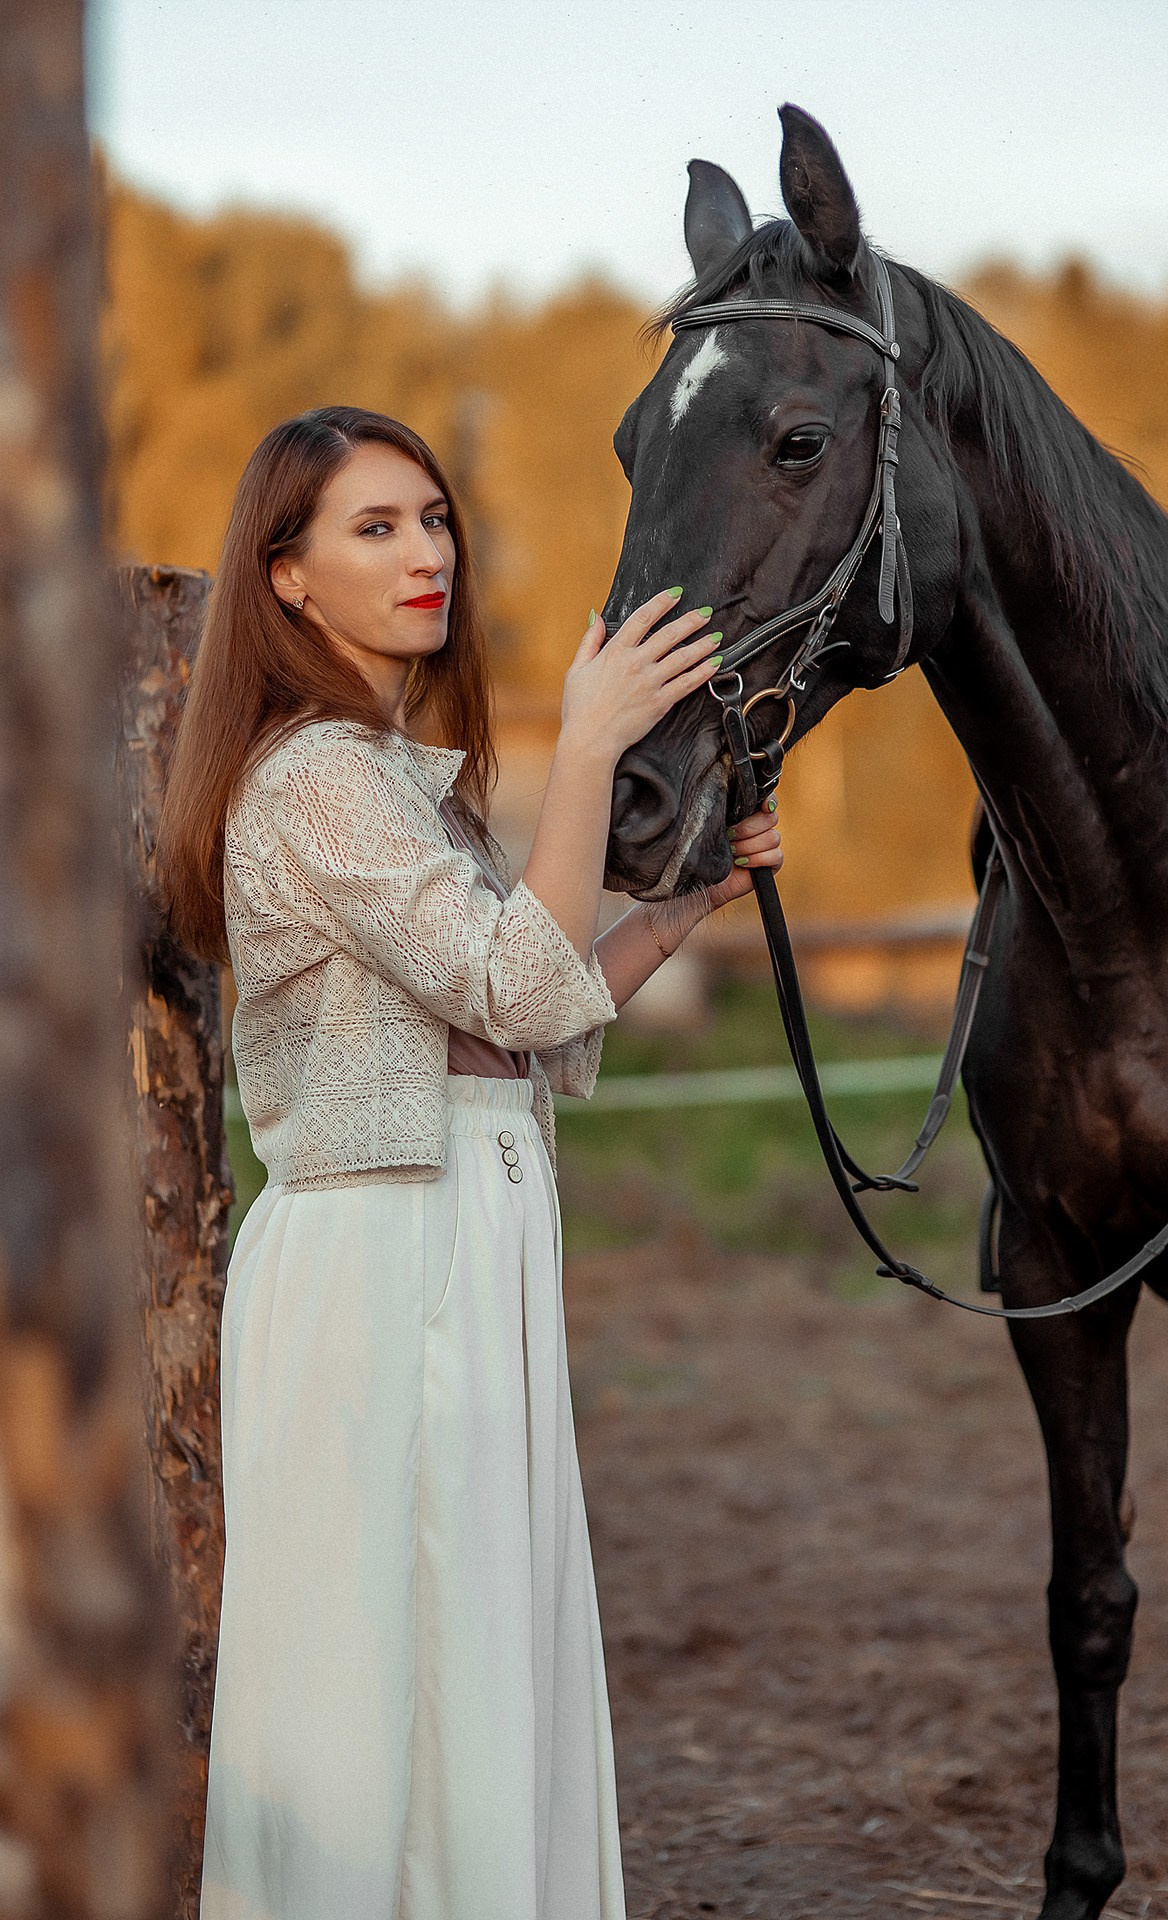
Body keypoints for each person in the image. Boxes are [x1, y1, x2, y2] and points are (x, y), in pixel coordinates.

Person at [155, 404, 783, 1920]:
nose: (426, 552)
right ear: (287, 577)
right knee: (370, 1679)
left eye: (433, 520)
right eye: (376, 528)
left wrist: (680, 911)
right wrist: (591, 746)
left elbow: (536, 1026)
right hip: (376, 1257)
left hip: (472, 1242)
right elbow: (510, 982)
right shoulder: (309, 781)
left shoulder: (391, 779)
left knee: (483, 1651)